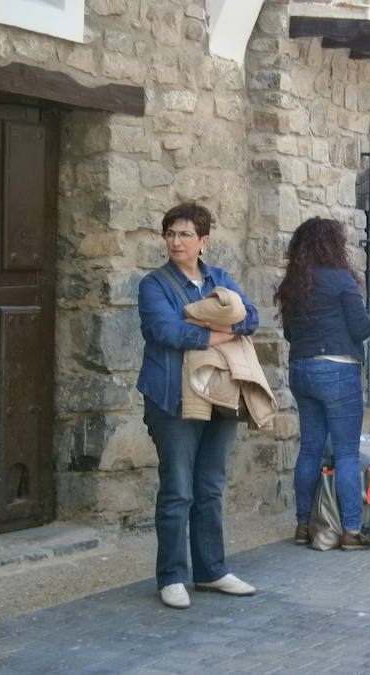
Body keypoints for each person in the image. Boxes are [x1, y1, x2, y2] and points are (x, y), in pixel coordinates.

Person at [138, 202, 259, 609]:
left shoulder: (220, 278)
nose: (176, 241)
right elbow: (165, 331)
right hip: (172, 396)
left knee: (209, 487)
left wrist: (207, 327)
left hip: (221, 396)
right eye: (171, 233)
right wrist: (221, 332)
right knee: (177, 489)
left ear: (203, 241)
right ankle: (171, 576)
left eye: (185, 234)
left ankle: (211, 572)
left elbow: (251, 318)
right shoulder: (154, 285)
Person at [275, 217, 370, 550]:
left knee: (310, 449)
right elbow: (361, 328)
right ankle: (350, 529)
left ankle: (303, 524)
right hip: (337, 368)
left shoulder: (293, 283)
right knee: (346, 452)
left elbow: (290, 333)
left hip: (301, 369)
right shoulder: (341, 280)